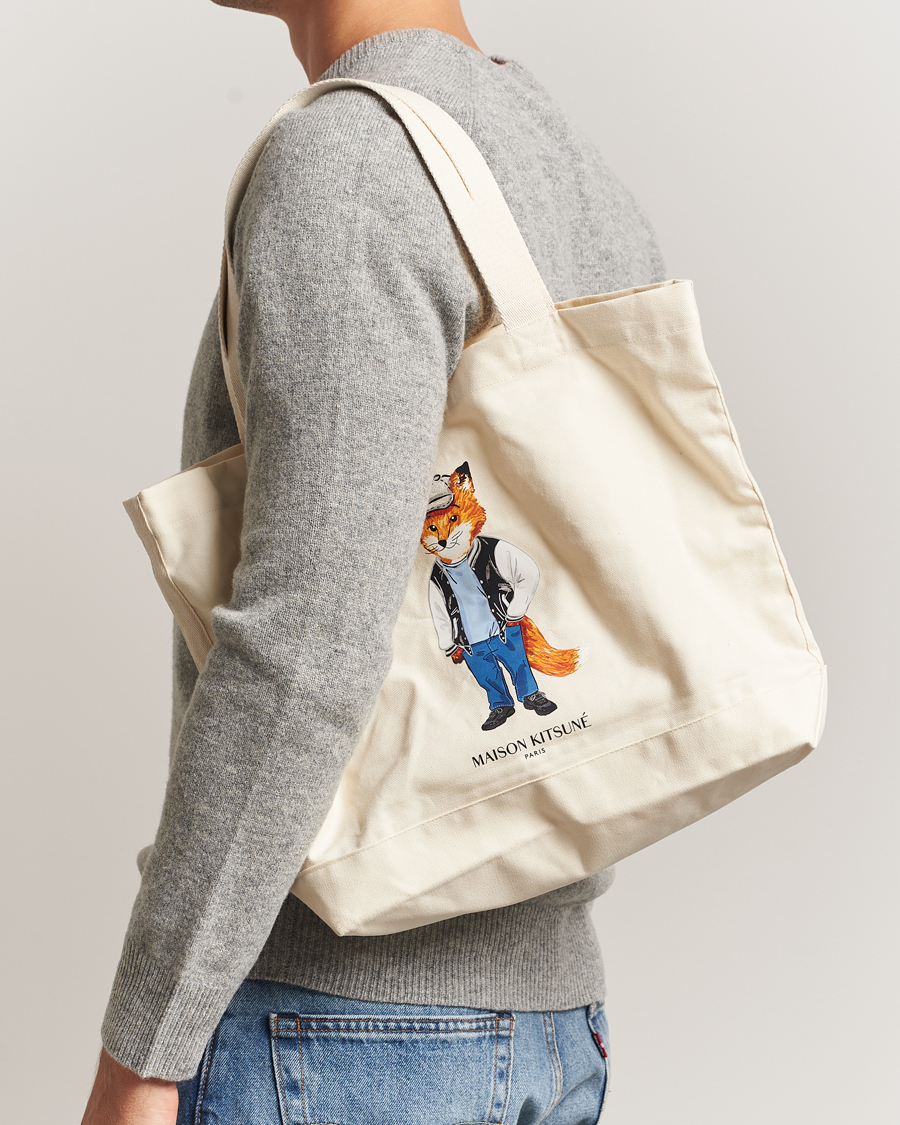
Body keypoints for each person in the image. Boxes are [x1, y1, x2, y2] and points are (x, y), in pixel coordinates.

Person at [81, 1, 665, 1121]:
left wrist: (141, 1054)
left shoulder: (349, 162)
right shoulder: (547, 141)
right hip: (551, 1026)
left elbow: (307, 647)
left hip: (343, 1036)